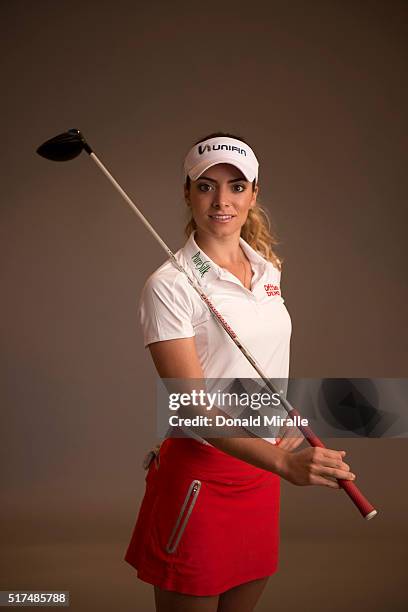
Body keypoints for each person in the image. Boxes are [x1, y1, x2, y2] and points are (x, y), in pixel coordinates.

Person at [124, 132, 355, 612]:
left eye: (235, 186)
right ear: (187, 193)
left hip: (261, 477)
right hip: (201, 480)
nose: (221, 200)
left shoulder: (268, 271)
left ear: (254, 194)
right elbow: (194, 408)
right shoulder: (168, 285)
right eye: (206, 186)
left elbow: (262, 367)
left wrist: (284, 421)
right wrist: (286, 465)